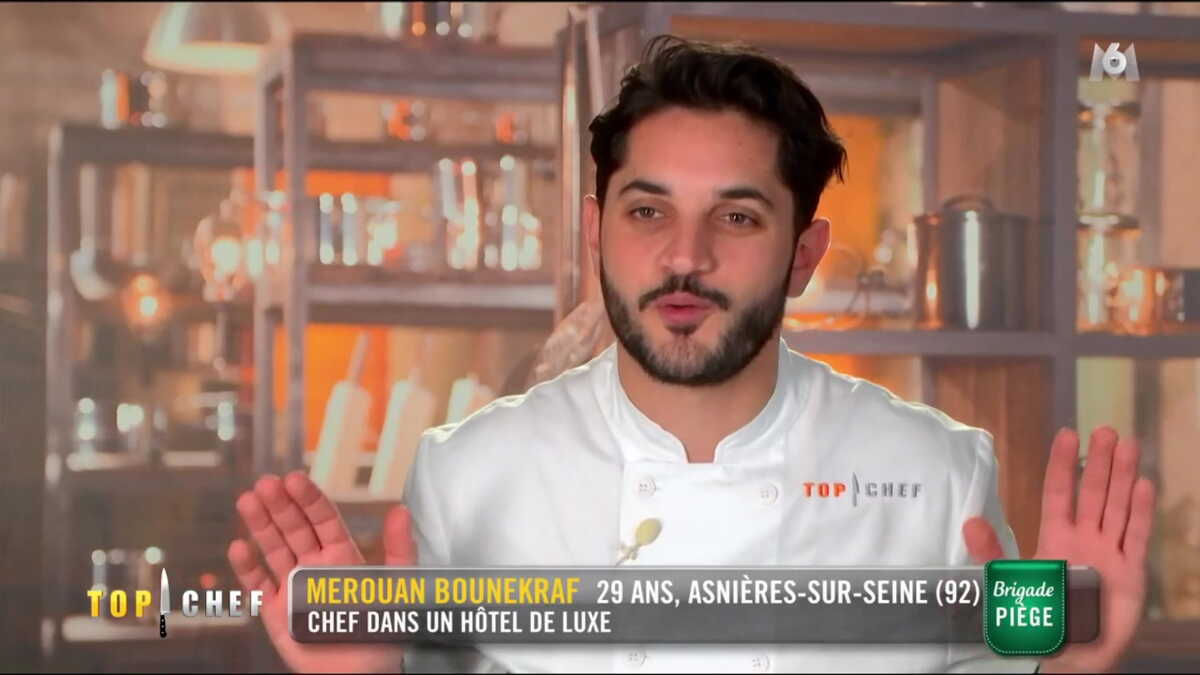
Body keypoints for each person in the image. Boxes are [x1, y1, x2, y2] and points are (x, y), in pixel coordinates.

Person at [227, 35, 1156, 673]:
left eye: (737, 217)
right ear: (596, 231)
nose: (685, 255)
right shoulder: (469, 473)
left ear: (804, 255)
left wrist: (1070, 667)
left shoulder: (937, 472)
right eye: (647, 210)